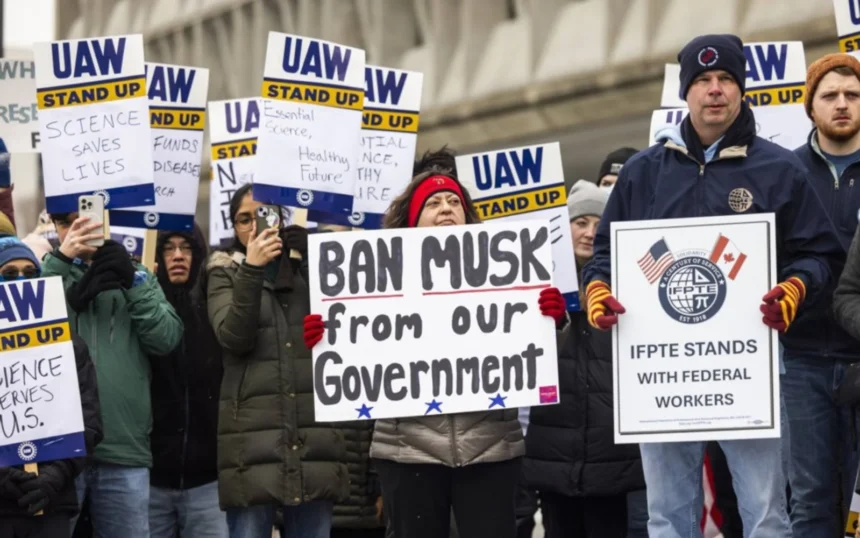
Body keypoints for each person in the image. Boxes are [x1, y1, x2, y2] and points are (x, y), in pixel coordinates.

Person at [582, 34, 841, 537]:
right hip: (661, 374)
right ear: (686, 91)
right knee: (668, 516)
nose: (715, 90)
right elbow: (606, 255)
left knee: (766, 512)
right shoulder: (643, 173)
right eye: (702, 80)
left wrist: (794, 290)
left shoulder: (777, 169)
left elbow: (820, 254)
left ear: (742, 89)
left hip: (748, 371)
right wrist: (598, 291)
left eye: (725, 79)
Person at [303, 162, 570, 538]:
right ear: (413, 220)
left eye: (453, 201)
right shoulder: (378, 279)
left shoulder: (508, 275)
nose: (446, 207)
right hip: (407, 449)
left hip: (491, 446)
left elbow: (540, 360)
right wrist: (327, 337)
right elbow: (354, 357)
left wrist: (551, 322)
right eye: (433, 203)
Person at [206, 184, 348, 538]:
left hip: (312, 438)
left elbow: (353, 329)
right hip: (251, 447)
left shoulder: (311, 269)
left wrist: (314, 259)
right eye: (243, 219)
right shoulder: (224, 272)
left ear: (282, 219)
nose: (254, 225)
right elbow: (234, 337)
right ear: (234, 229)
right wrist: (253, 270)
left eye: (264, 215)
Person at [43, 213, 183, 538]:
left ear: (103, 223)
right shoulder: (48, 273)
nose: (77, 230)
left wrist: (132, 279)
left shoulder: (136, 275)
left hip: (123, 448)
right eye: (65, 222)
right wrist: (62, 261)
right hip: (59, 453)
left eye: (85, 221)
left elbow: (166, 338)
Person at [523, 180, 645, 538]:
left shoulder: (630, 284)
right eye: (580, 223)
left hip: (610, 454)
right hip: (553, 450)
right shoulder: (534, 282)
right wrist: (550, 323)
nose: (590, 233)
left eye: (599, 224)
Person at [788, 52, 860, 538]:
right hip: (801, 356)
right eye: (829, 95)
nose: (842, 105)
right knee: (810, 497)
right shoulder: (783, 172)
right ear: (810, 106)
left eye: (853, 96)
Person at [0, 235, 102, 538]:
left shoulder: (69, 346)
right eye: (8, 274)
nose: (20, 280)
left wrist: (52, 477)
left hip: (50, 504)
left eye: (30, 274)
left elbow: (89, 424)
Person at [148, 225, 227, 538]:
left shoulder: (216, 309)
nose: (178, 255)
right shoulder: (142, 311)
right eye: (168, 247)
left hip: (208, 482)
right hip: (151, 480)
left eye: (186, 247)